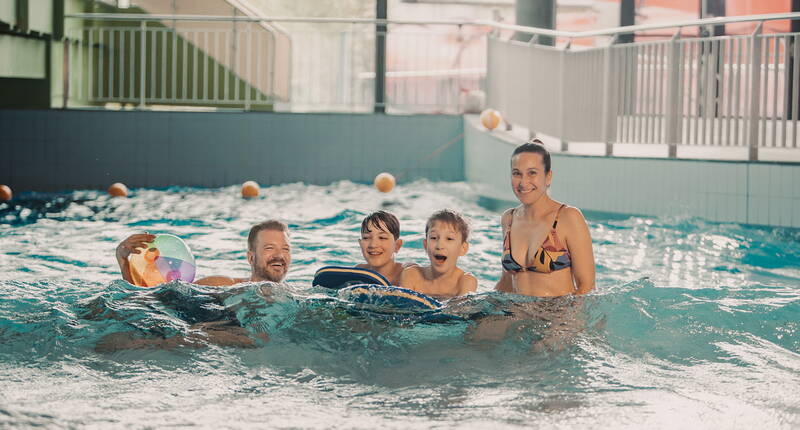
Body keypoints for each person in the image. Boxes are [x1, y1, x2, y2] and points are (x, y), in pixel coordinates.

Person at [495, 140, 595, 296]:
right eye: (517, 173)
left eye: (532, 173)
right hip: (515, 311)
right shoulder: (509, 219)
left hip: (556, 314)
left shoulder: (568, 217)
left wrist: (569, 319)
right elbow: (506, 282)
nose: (523, 182)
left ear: (548, 177)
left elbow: (586, 287)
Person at [115, 220, 291, 286]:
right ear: (251, 258)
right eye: (269, 248)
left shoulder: (298, 297)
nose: (279, 255)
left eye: (285, 249)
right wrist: (124, 260)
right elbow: (152, 302)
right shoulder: (221, 286)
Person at [399, 209, 477, 298]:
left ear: (463, 248)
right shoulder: (411, 275)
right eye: (434, 237)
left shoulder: (465, 281)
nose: (439, 246)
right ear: (425, 245)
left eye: (449, 239)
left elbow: (462, 311)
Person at [355, 210, 414, 285]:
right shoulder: (360, 272)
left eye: (382, 237)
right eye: (366, 238)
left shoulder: (408, 273)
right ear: (360, 244)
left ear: (397, 245)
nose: (373, 245)